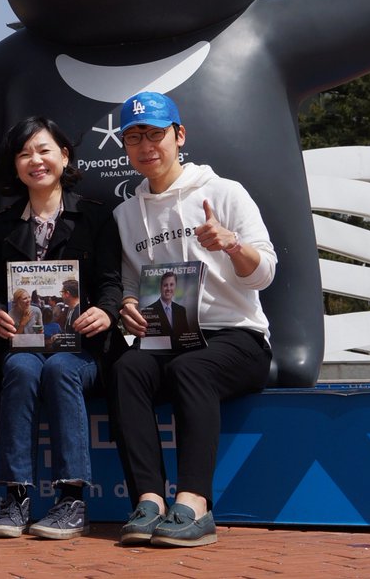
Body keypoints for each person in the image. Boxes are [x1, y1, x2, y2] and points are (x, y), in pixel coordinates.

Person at [110, 92, 275, 548]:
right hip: (169, 339)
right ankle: (148, 500)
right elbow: (129, 282)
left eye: (156, 134)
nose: (147, 146)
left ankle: (195, 503)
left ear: (179, 135)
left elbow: (264, 273)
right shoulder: (126, 215)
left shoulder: (224, 192)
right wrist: (127, 307)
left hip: (237, 339)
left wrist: (231, 245)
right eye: (135, 137)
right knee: (127, 369)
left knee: (192, 368)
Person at [0, 116, 124, 540]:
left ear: (64, 155)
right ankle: (15, 496)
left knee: (61, 368)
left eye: (43, 150)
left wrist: (107, 312)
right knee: (21, 369)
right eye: (24, 153)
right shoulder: (3, 224)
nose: (35, 160)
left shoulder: (95, 218)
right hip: (23, 345)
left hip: (81, 349)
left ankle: (71, 499)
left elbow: (111, 284)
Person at [141, 271, 190, 339]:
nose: (168, 288)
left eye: (171, 285)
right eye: (165, 285)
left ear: (175, 286)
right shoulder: (148, 311)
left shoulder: (181, 310)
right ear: (160, 287)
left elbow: (185, 335)